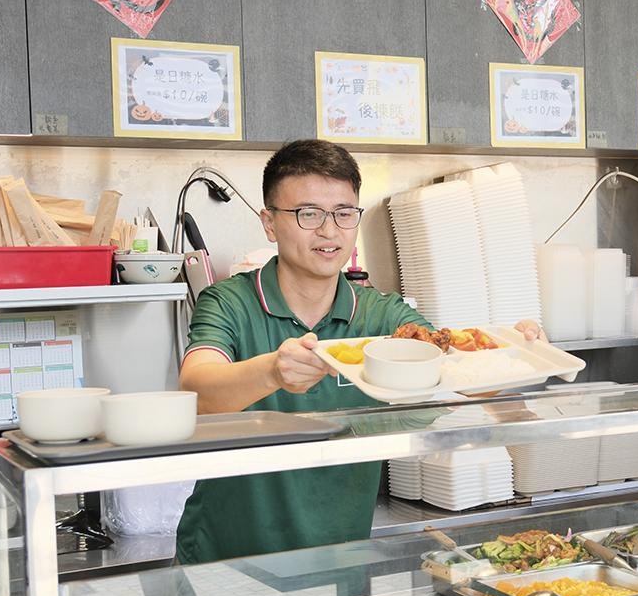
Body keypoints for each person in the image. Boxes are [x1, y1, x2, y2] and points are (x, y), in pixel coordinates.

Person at [175, 139, 542, 564]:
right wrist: (273, 372)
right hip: (225, 561)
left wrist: (518, 354)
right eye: (308, 214)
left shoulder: (384, 314)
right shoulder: (228, 302)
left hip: (339, 558)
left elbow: (456, 375)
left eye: (344, 214)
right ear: (270, 223)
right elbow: (197, 393)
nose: (329, 232)